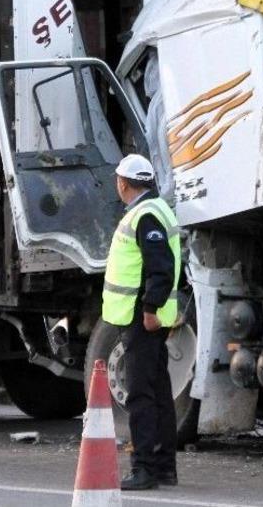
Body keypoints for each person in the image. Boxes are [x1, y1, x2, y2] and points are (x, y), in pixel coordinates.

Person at [101, 154, 181, 491]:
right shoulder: (156, 209)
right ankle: (163, 467)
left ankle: (145, 468)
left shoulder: (145, 215)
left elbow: (159, 268)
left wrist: (149, 308)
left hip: (140, 318)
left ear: (123, 183)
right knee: (159, 391)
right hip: (146, 317)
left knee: (140, 395)